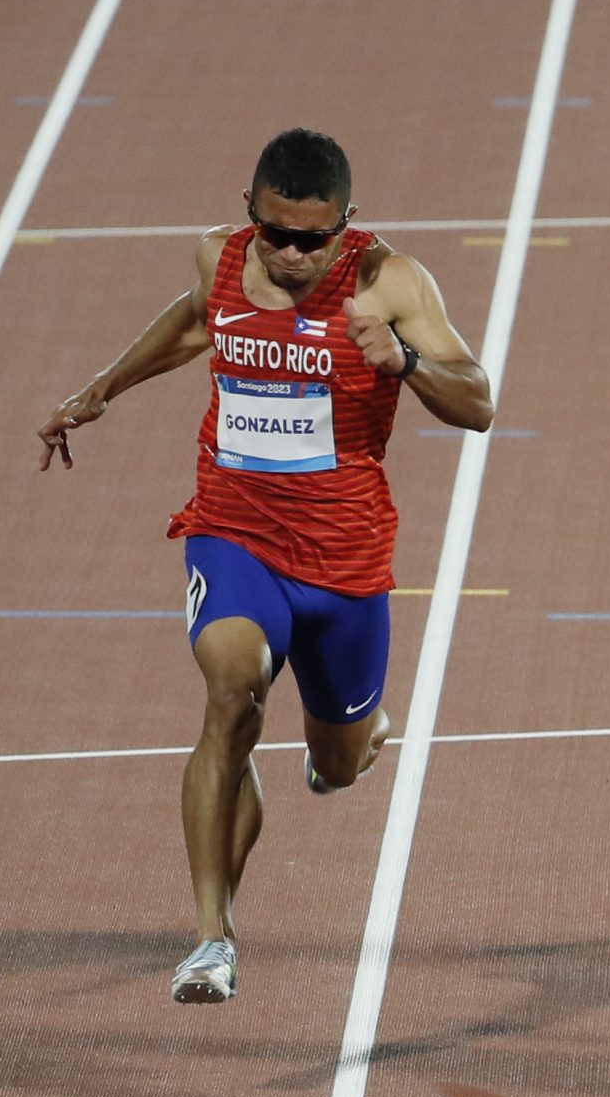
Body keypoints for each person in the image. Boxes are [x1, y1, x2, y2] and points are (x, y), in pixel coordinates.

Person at [37, 128, 494, 1003]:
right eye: (274, 233)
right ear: (250, 211)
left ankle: (356, 738)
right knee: (232, 693)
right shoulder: (220, 257)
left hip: (344, 561)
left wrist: (404, 361)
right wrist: (99, 389)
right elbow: (193, 323)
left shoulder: (390, 282)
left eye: (311, 240)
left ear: (346, 224)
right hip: (234, 532)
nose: (289, 255)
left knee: (340, 763)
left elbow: (478, 401)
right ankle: (212, 938)